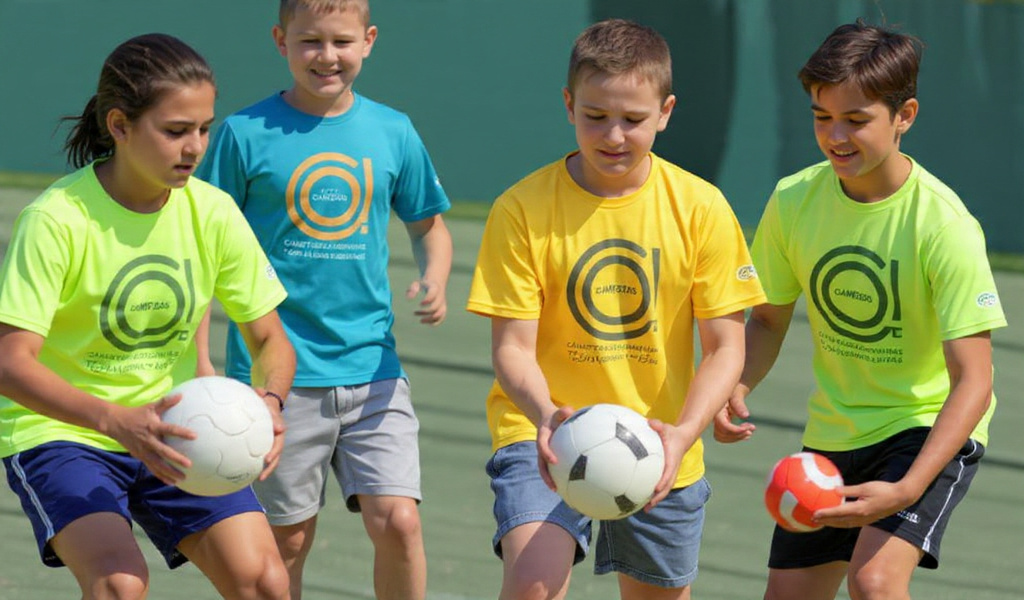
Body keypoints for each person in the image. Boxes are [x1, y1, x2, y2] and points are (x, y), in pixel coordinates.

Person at [466, 18, 766, 600]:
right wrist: (549, 415)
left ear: (666, 111)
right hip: (542, 433)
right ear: (568, 104)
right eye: (595, 116)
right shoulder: (521, 209)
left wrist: (683, 433)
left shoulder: (701, 208)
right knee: (531, 586)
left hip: (660, 443)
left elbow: (727, 347)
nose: (613, 136)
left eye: (633, 119)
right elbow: (511, 349)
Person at [713, 20, 1008, 600]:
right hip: (835, 430)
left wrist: (907, 488)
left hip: (923, 428)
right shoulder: (794, 200)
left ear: (906, 116)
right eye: (822, 117)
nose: (835, 136)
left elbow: (974, 379)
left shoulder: (942, 224)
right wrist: (736, 383)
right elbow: (768, 318)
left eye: (857, 119)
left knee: (872, 581)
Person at [0, 33, 296, 600]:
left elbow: (270, 341)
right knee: (120, 583)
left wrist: (270, 402)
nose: (195, 147)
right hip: (66, 431)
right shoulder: (57, 219)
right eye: (176, 130)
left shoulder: (213, 212)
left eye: (204, 129)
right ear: (120, 125)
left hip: (181, 431)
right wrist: (115, 421)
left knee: (264, 582)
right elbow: (11, 364)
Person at [195, 1, 452, 598]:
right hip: (276, 382)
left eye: (341, 41)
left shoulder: (393, 130)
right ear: (281, 40)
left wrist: (434, 275)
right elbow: (203, 242)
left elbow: (428, 224)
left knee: (401, 522)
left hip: (375, 373)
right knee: (286, 539)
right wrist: (204, 358)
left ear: (369, 41)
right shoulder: (241, 133)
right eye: (310, 41)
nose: (327, 56)